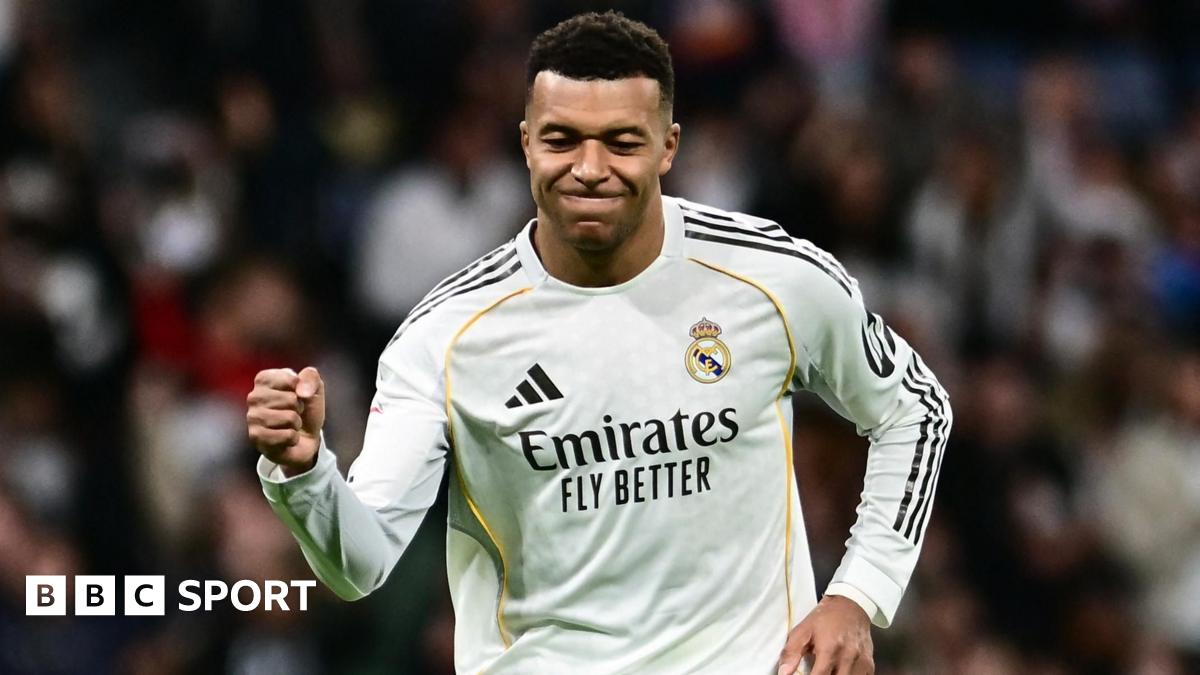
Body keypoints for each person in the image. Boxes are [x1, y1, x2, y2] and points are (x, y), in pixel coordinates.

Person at [246, 12, 951, 674]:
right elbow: (360, 563)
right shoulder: (445, 336)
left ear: (668, 146)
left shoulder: (771, 277)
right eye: (561, 140)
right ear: (525, 142)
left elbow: (914, 407)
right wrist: (305, 474)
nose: (589, 167)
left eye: (621, 141)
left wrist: (859, 592)